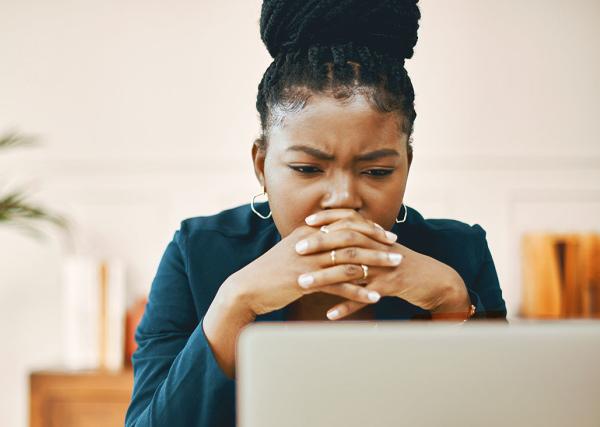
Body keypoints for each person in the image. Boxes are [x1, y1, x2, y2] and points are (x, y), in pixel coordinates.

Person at [125, 0, 507, 425]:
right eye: (308, 169)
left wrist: (451, 304)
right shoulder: (197, 254)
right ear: (261, 167)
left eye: (377, 171)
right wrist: (235, 304)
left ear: (407, 167)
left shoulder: (459, 253)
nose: (343, 198)